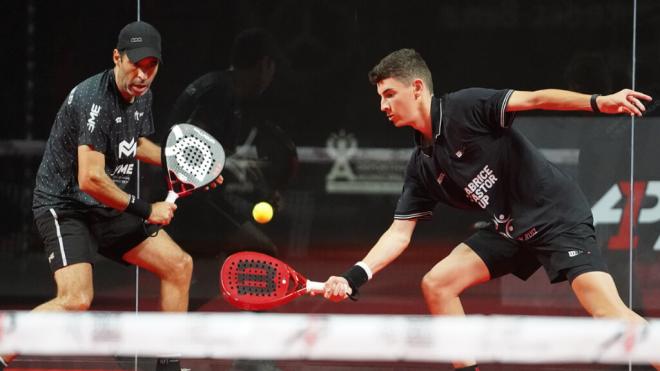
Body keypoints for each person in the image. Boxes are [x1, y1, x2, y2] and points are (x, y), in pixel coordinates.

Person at [321, 48, 656, 371]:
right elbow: (398, 233)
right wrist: (354, 276)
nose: (383, 105)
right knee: (438, 283)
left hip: (556, 216)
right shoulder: (422, 165)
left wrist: (599, 103)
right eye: (381, 97)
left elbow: (536, 98)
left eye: (390, 94)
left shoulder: (465, 107)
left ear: (417, 88)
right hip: (510, 229)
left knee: (607, 312)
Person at [0, 21, 221, 371]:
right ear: (117, 57)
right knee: (75, 299)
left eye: (152, 67)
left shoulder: (140, 94)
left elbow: (134, 145)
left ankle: (168, 366)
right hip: (66, 205)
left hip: (107, 205)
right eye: (136, 64)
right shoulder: (94, 100)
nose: (143, 75)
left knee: (179, 266)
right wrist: (148, 210)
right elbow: (90, 179)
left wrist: (179, 162)